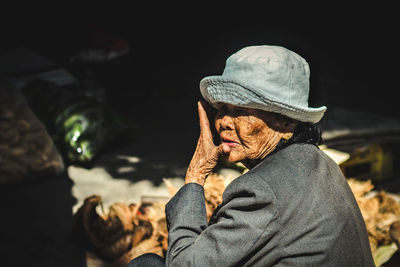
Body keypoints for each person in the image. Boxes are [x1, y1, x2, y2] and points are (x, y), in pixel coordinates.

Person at [129, 45, 375, 266]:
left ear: (286, 122)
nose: (224, 121)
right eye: (222, 109)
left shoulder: (261, 192)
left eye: (240, 111)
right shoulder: (319, 161)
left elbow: (184, 264)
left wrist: (196, 175)